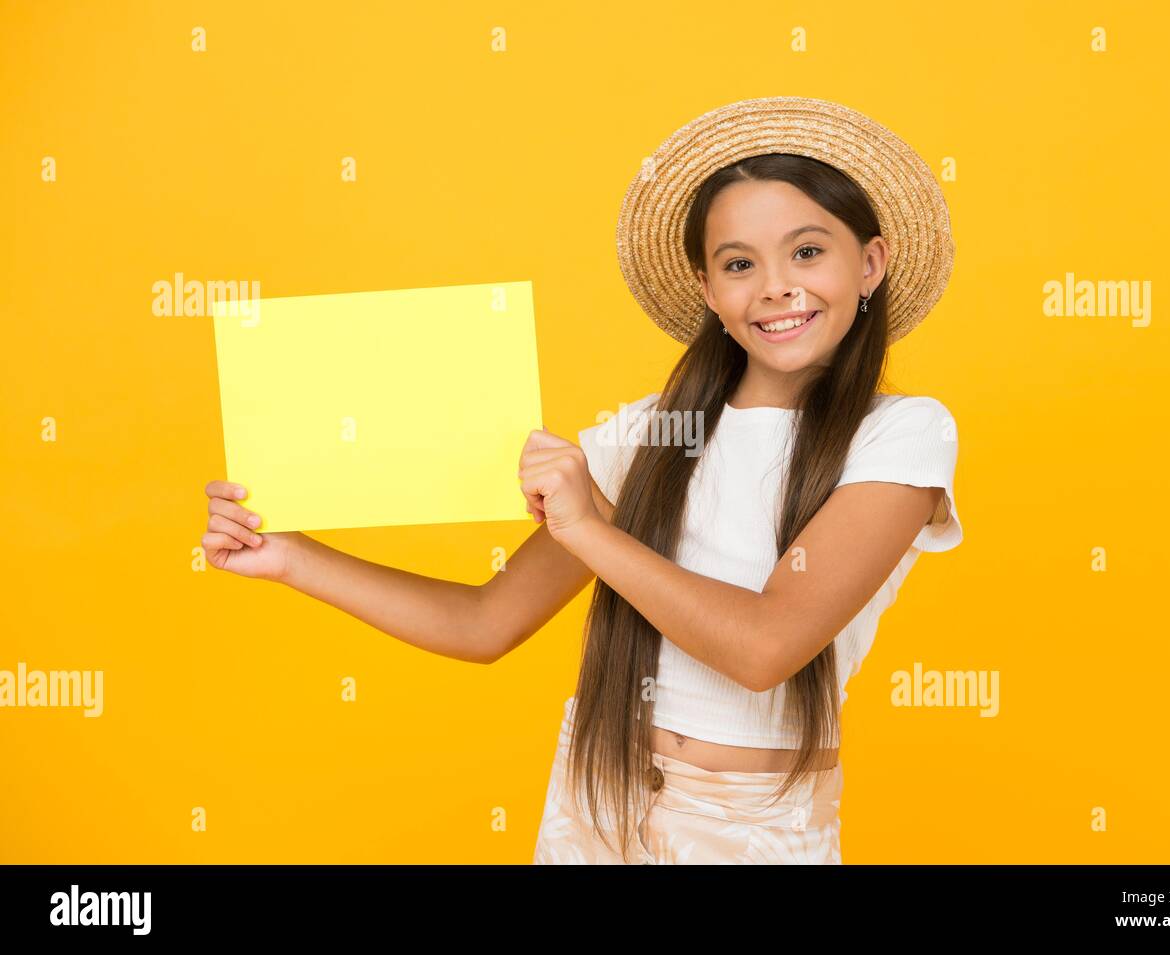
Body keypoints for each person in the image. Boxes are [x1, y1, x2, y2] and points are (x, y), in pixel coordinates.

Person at [201, 96, 963, 865]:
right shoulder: (645, 435)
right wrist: (291, 557)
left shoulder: (902, 433)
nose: (774, 286)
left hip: (752, 828)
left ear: (870, 263)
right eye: (739, 263)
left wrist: (594, 526)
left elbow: (765, 647)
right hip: (597, 798)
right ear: (707, 288)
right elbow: (484, 624)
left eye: (806, 252)